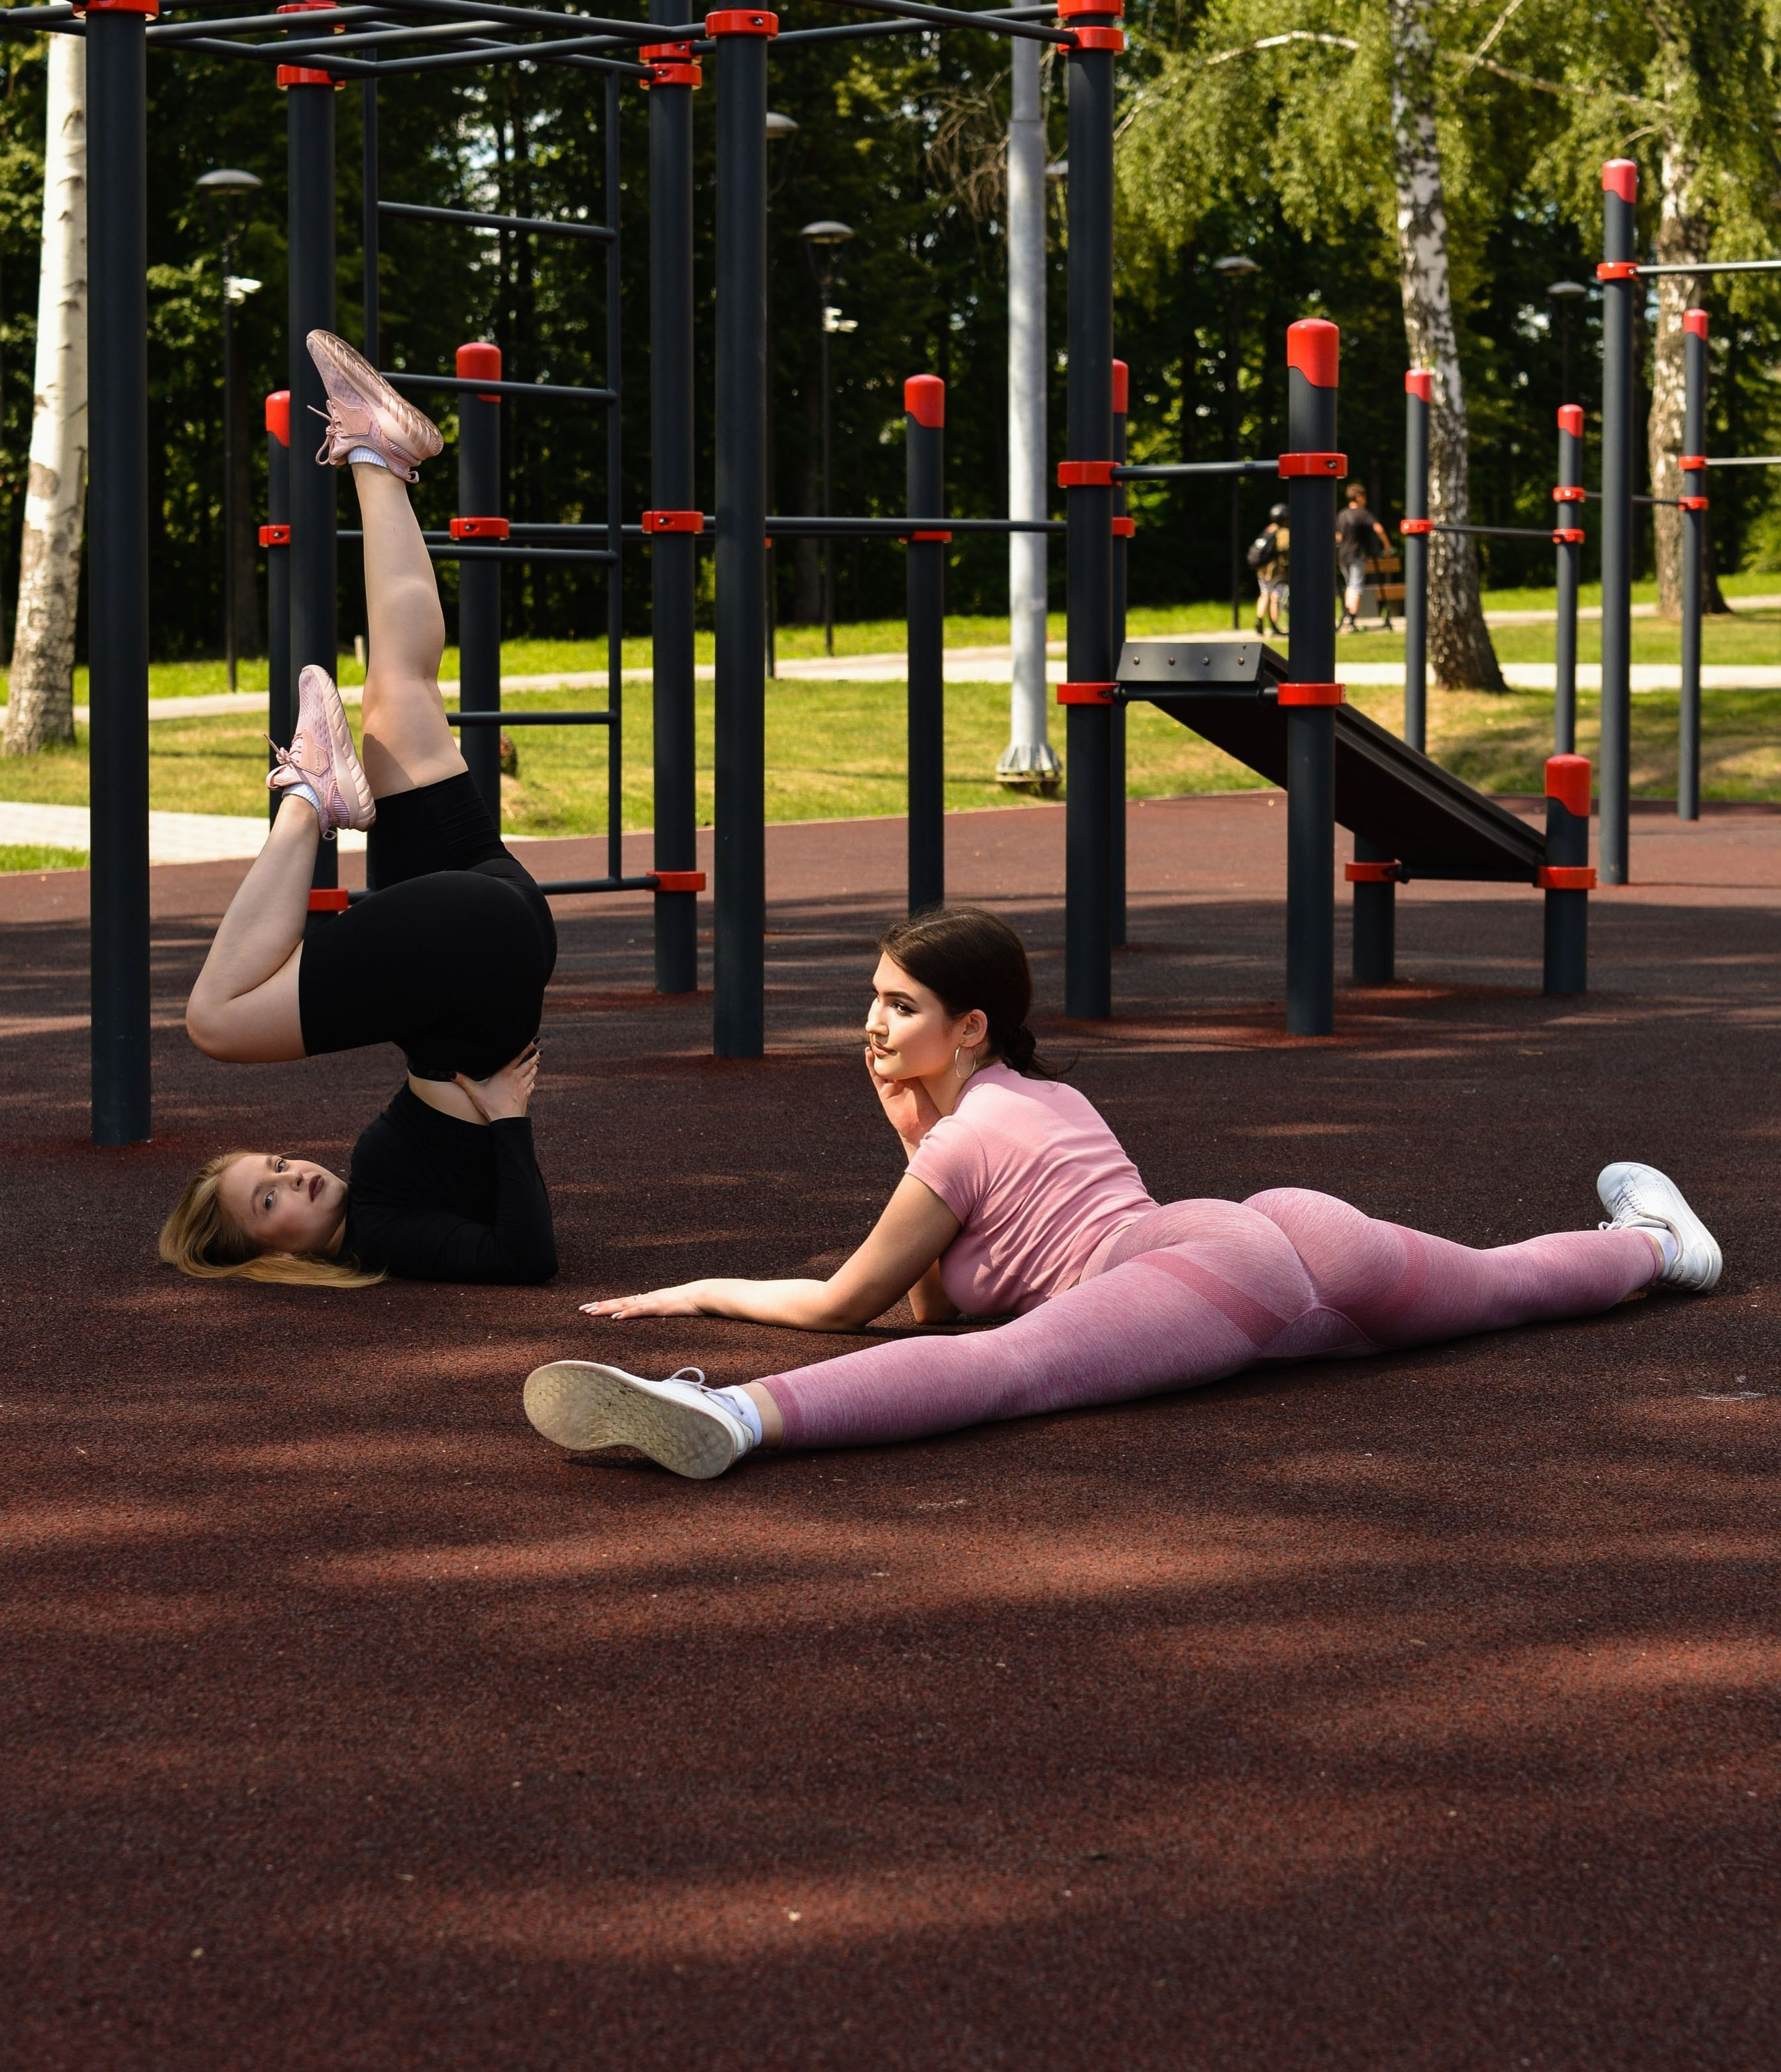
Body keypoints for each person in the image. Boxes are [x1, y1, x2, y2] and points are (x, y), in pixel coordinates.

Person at [520, 908, 1720, 1479]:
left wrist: (701, 1289)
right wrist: (913, 1121)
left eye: (900, 1006)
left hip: (1201, 1269)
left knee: (1015, 1375)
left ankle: (733, 1416)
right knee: (1502, 1286)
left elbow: (864, 1306)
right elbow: (943, 1293)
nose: (872, 1027)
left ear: (969, 1026)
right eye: (875, 1000)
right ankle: (1659, 1248)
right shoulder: (1040, 1096)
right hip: (1276, 1233)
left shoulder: (958, 1142)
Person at [158, 333, 558, 1290]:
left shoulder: (379, 1198)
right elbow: (525, 1259)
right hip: (471, 960)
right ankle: (308, 804)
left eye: (273, 1166)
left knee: (399, 696)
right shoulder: (378, 1225)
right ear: (273, 1256)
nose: (293, 1172)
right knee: (212, 1021)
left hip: (489, 934)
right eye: (272, 1200)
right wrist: (507, 1122)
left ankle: (381, 456)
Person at [1336, 481, 1384, 633]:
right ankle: (1351, 619)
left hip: (1342, 555)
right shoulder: (1363, 513)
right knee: (1356, 586)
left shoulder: (1342, 514)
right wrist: (1387, 546)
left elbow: (1338, 536)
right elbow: (1378, 528)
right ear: (1359, 497)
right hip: (1357, 554)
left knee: (1349, 585)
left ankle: (1346, 617)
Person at [1247, 502, 1288, 636]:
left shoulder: (1268, 529)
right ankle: (1275, 625)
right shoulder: (1282, 531)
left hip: (1261, 569)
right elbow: (1284, 547)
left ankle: (1259, 619)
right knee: (1275, 596)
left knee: (1264, 593)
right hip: (1273, 569)